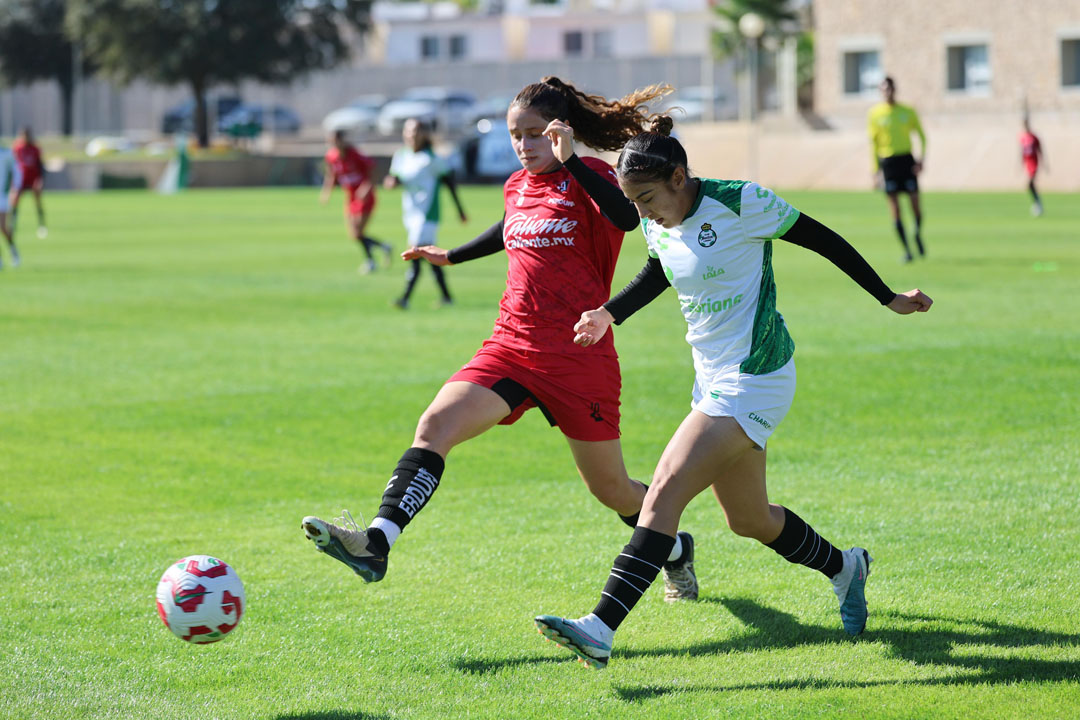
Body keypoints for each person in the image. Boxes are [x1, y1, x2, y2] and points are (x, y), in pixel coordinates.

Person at [534, 117, 933, 670]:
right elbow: (659, 270)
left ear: (679, 178)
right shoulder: (657, 220)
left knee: (664, 490)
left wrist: (886, 296)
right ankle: (846, 567)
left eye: (648, 198)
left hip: (758, 375)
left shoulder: (741, 203)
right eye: (635, 202)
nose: (643, 213)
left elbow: (823, 239)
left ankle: (600, 626)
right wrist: (609, 313)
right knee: (748, 519)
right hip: (711, 380)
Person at [301, 77, 701, 603]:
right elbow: (507, 227)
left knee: (612, 489)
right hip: (510, 346)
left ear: (562, 131)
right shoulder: (517, 185)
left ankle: (674, 550)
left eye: (536, 134)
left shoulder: (598, 176)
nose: (524, 145)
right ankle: (376, 542)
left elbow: (627, 217)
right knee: (435, 425)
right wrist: (452, 256)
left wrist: (573, 161)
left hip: (578, 356)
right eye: (517, 135)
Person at [385, 118, 466, 308]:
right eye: (409, 131)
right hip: (410, 214)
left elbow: (449, 182)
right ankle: (447, 297)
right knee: (428, 256)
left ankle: (404, 298)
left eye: (416, 132)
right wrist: (391, 182)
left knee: (415, 253)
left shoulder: (432, 160)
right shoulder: (401, 156)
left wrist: (460, 211)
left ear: (424, 135)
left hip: (427, 214)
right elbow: (396, 177)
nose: (412, 135)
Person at [867, 77, 926, 262]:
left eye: (890, 89)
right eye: (883, 89)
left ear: (895, 90)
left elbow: (922, 136)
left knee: (915, 204)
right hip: (888, 162)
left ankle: (917, 232)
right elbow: (873, 144)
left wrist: (921, 159)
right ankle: (907, 250)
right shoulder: (875, 114)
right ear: (880, 91)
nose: (887, 92)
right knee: (895, 209)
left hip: (906, 160)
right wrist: (875, 170)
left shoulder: (907, 111)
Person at [320, 129, 393, 273]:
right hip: (351, 197)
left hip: (365, 198)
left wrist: (366, 187)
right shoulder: (331, 157)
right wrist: (326, 192)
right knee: (354, 234)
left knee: (358, 232)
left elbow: (373, 168)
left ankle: (371, 261)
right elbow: (331, 175)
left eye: (336, 140)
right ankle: (383, 247)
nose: (333, 143)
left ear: (342, 140)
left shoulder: (355, 154)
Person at [9, 126, 47, 240]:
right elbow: (12, 164)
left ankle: (42, 225)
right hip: (21, 180)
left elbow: (41, 165)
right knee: (15, 200)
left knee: (37, 201)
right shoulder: (17, 148)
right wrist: (12, 181)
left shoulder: (35, 149)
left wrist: (40, 180)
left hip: (33, 179)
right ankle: (13, 225)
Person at [0, 141, 20, 268]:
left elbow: (16, 171)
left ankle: (13, 251)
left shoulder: (6, 153)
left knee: (3, 227)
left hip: (2, 195)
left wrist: (15, 189)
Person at [1019, 117, 1045, 217]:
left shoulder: (1034, 137)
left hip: (1034, 163)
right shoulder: (1022, 137)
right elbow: (1022, 151)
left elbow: (1040, 150)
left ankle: (1038, 203)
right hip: (1027, 164)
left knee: (1030, 184)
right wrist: (1021, 163)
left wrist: (1044, 163)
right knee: (1030, 186)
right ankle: (1037, 203)